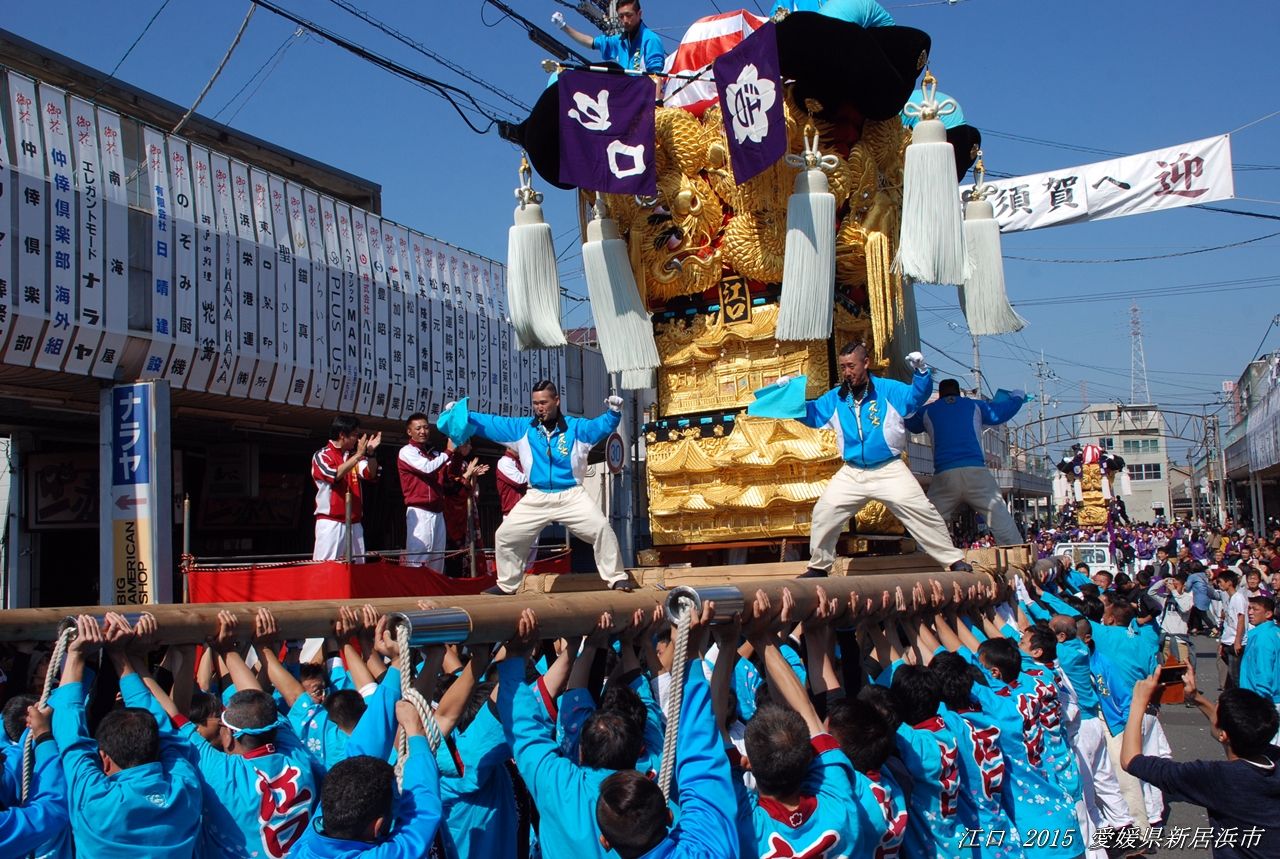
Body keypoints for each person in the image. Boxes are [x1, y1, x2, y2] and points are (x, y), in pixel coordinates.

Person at [782, 342, 971, 576]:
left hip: (889, 469)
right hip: (852, 471)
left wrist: (922, 372)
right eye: (843, 367)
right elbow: (812, 414)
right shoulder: (837, 398)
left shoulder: (888, 390)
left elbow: (916, 396)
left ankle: (953, 560)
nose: (847, 372)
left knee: (922, 510)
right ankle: (819, 566)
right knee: (825, 511)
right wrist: (790, 396)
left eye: (851, 365)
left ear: (866, 363)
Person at [449, 381, 632, 595]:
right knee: (505, 535)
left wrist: (613, 412)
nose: (539, 407)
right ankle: (507, 585)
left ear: (556, 401)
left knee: (601, 528)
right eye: (535, 403)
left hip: (571, 494)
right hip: (537, 495)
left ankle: (617, 578)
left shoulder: (576, 428)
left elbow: (599, 426)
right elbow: (491, 423)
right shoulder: (522, 429)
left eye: (544, 402)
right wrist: (462, 415)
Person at [46, 614, 202, 857]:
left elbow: (165, 733)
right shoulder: (183, 789)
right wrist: (111, 655)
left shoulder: (97, 801)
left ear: (104, 760)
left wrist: (81, 656)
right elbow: (71, 738)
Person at [1121, 663, 1280, 858]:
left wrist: (1138, 702)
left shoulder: (1219, 778)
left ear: (1224, 735)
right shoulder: (1272, 757)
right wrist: (1196, 697)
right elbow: (1233, 726)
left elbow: (1130, 760)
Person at [290, 702, 443, 858]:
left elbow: (361, 752)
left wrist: (395, 684)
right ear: (377, 827)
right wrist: (415, 732)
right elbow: (422, 816)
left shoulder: (305, 846)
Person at [903, 378, 1026, 547]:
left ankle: (921, 559)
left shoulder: (927, 411)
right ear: (959, 393)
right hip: (975, 472)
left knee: (929, 525)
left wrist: (908, 403)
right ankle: (1018, 554)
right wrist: (1017, 398)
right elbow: (1000, 413)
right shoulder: (973, 405)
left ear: (940, 395)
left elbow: (911, 424)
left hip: (944, 476)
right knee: (1000, 520)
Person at [312, 415, 380, 561]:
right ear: (342, 435)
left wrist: (371, 454)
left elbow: (370, 473)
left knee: (358, 571)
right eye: (355, 435)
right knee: (327, 568)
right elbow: (334, 475)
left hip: (355, 523)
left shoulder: (354, 457)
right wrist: (358, 455)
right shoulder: (322, 455)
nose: (358, 439)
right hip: (331, 522)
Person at [551, 0, 665, 73]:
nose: (625, 21)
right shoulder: (619, 41)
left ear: (639, 14)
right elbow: (591, 42)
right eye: (621, 16)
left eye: (628, 15)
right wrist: (563, 26)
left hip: (643, 99)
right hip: (626, 97)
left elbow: (656, 75)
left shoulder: (650, 40)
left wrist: (655, 103)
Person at [398, 413, 452, 568]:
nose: (423, 431)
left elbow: (450, 474)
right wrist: (448, 452)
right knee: (419, 558)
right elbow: (427, 468)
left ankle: (433, 591)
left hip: (437, 511)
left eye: (426, 427)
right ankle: (416, 592)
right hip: (420, 511)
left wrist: (456, 450)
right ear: (410, 432)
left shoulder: (432, 453)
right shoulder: (407, 451)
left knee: (437, 558)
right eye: (418, 428)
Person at [1239, 596, 1280, 731]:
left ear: (1268, 614)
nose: (1250, 612)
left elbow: (1264, 672)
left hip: (1263, 700)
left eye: (1255, 609)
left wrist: (1261, 704)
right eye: (1249, 608)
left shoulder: (1263, 638)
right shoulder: (1273, 631)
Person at [496, 449, 528, 519]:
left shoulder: (519, 461)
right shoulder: (504, 461)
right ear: (510, 446)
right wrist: (535, 475)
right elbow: (519, 481)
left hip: (524, 512)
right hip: (512, 513)